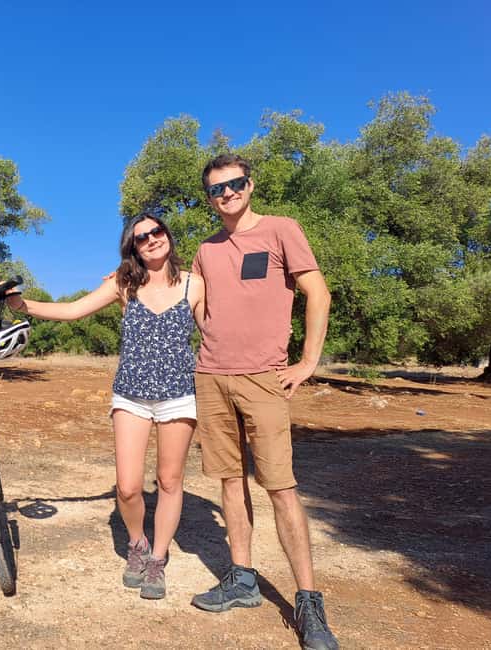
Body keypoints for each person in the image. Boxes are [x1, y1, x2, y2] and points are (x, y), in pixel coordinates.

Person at [6, 214, 204, 600]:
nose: (150, 240)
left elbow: (215, 333)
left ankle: (158, 560)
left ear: (167, 234)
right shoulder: (123, 284)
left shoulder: (195, 285)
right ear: (133, 247)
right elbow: (73, 310)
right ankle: (137, 545)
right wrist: (22, 304)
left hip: (179, 394)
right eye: (140, 237)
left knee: (169, 481)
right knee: (129, 487)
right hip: (130, 394)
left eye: (156, 232)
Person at [189, 153, 339, 650]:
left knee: (280, 486)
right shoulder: (206, 250)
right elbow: (192, 303)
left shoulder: (280, 230)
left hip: (264, 378)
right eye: (216, 189)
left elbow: (318, 294)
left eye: (234, 185)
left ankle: (309, 602)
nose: (226, 194)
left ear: (250, 185)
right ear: (209, 198)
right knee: (231, 482)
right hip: (211, 377)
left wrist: (307, 361)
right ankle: (243, 579)